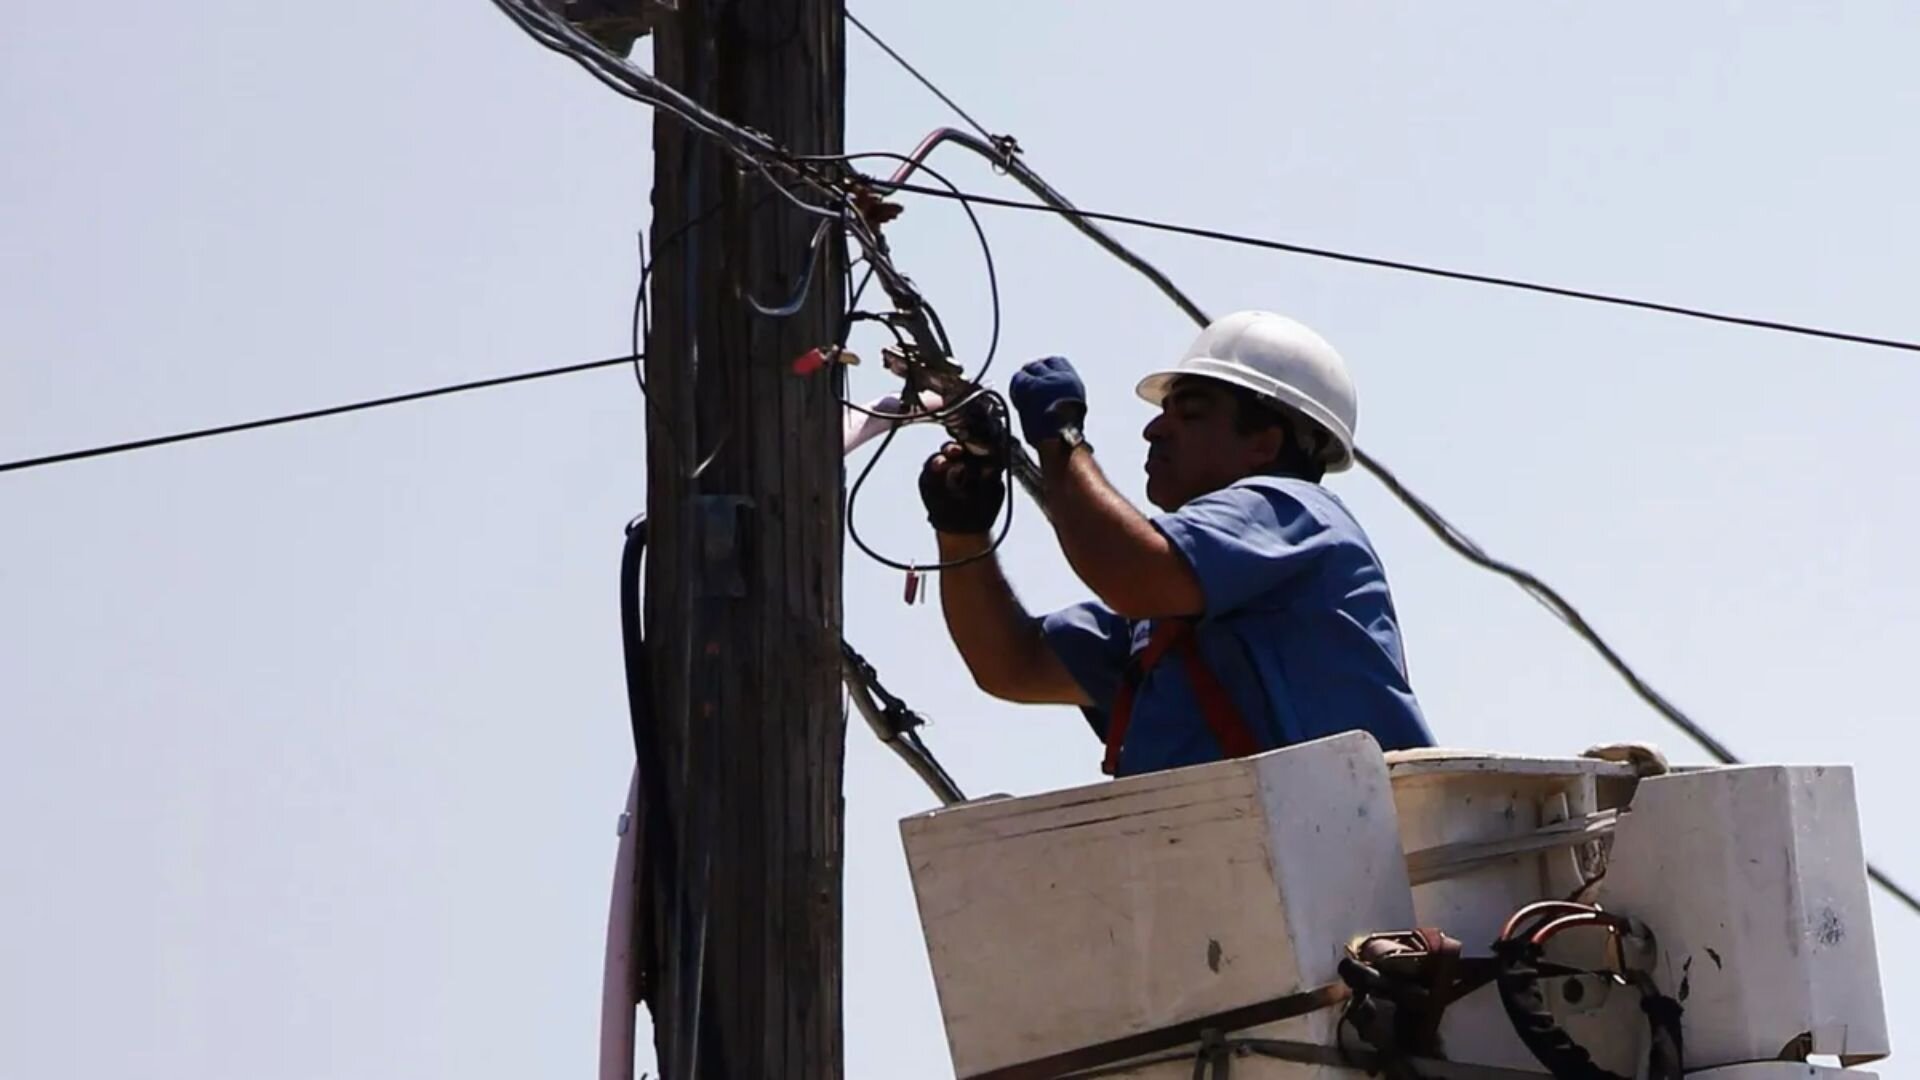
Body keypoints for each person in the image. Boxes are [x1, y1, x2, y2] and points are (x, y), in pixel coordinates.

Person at [919, 310, 1433, 777]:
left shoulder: (1292, 512)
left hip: (1343, 833)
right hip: (1255, 839)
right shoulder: (1169, 614)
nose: (1153, 429)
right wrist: (962, 530)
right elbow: (1013, 665)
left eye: (1189, 414)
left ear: (1265, 443)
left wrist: (1063, 440)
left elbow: (1132, 572)